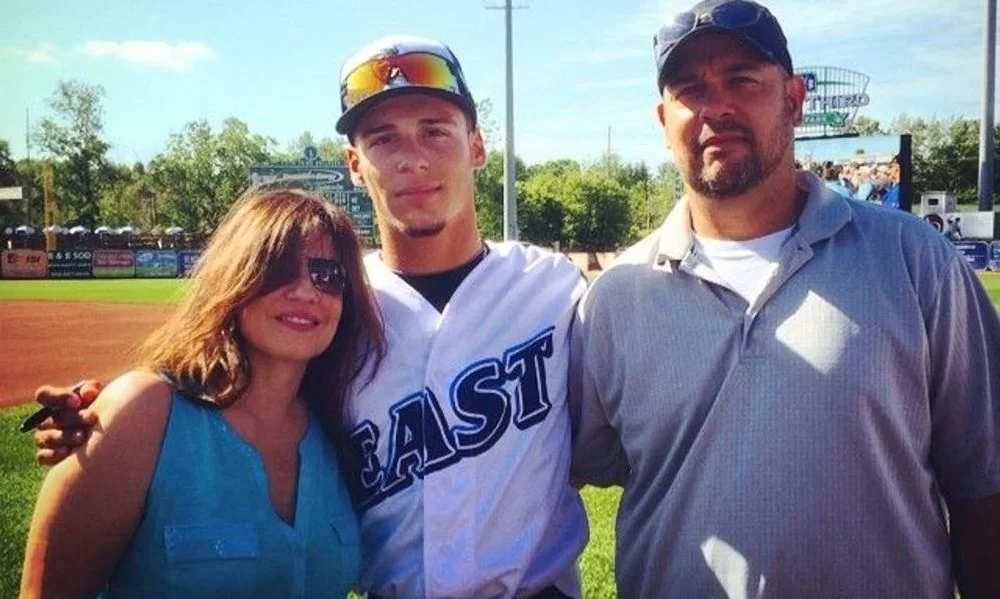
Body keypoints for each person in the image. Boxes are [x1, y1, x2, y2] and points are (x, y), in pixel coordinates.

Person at [30, 35, 589, 598]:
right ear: (354, 164)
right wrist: (100, 419)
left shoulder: (553, 287)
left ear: (477, 146)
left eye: (436, 130)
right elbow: (220, 385)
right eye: (383, 138)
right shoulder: (338, 305)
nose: (412, 157)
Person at [569, 1, 1000, 597]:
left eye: (742, 80)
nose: (716, 106)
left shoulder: (914, 259)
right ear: (663, 119)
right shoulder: (616, 298)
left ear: (793, 100)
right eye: (690, 88)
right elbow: (588, 467)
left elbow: (984, 484)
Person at [20, 188, 385, 598]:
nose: (305, 291)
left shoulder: (341, 428)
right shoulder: (143, 412)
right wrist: (114, 417)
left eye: (327, 274)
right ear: (236, 277)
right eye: (277, 269)